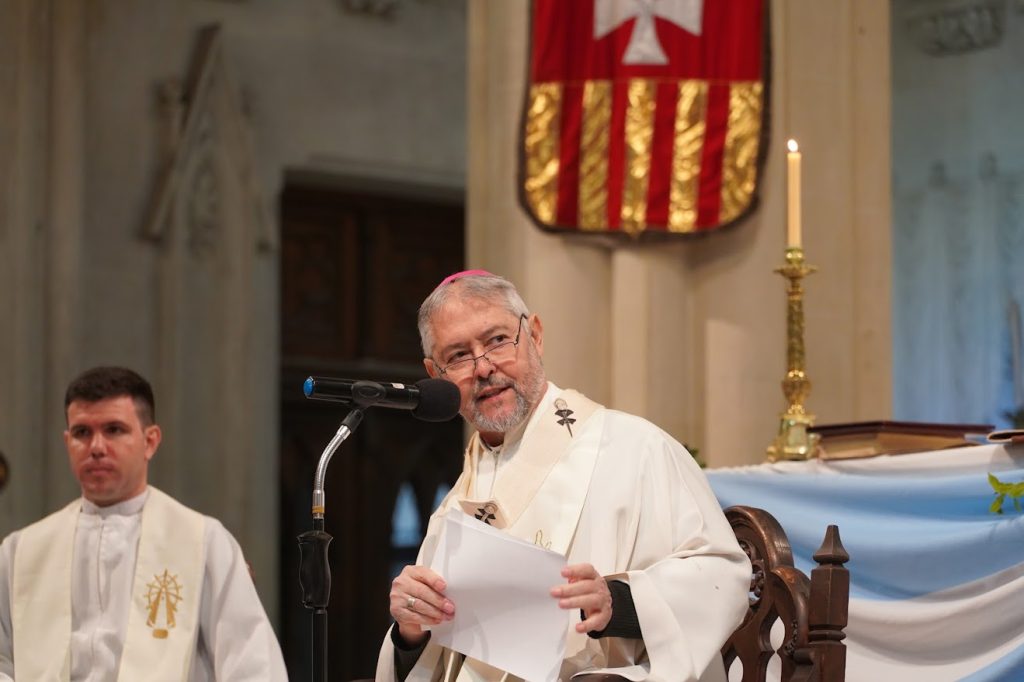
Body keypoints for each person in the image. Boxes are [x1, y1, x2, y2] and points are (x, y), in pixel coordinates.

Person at [376, 271, 751, 682]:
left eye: (498, 340)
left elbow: (721, 573)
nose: (483, 368)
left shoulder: (636, 449)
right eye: (459, 355)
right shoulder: (456, 504)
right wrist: (411, 632)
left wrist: (617, 602)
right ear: (436, 374)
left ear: (535, 336)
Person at [0, 366, 288, 681]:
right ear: (67, 441)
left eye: (114, 429)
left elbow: (252, 664)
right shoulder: (20, 551)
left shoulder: (203, 542)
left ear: (150, 441)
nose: (96, 447)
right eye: (82, 432)